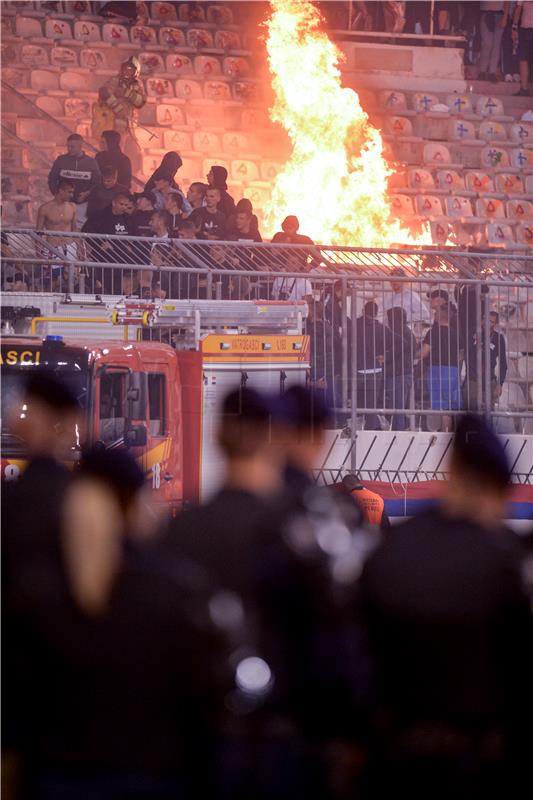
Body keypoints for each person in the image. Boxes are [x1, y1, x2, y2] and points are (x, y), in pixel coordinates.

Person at [6, 448, 224, 799]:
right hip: (153, 778)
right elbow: (202, 707)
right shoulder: (178, 591)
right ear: (136, 503)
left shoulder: (36, 593)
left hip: (57, 779)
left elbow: (18, 705)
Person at [360, 413, 532, 799]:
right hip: (481, 762)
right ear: (495, 486)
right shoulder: (506, 560)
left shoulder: (391, 551)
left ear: (451, 469)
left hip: (397, 759)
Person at [92, 56, 146, 171]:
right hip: (114, 124)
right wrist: (117, 107)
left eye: (130, 70)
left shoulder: (138, 85)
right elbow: (104, 93)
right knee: (116, 149)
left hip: (130, 126)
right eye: (125, 69)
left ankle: (131, 174)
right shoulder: (115, 81)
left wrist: (126, 93)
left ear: (136, 72)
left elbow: (141, 101)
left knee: (133, 152)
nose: (127, 72)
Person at [82, 192, 139, 293]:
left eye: (126, 205)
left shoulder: (127, 218)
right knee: (104, 289)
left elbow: (135, 234)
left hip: (121, 260)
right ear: (114, 203)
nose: (124, 207)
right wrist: (99, 243)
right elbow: (86, 231)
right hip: (103, 259)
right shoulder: (100, 215)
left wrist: (131, 245)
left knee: (117, 290)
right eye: (121, 204)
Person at [421, 303, 462, 425]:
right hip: (453, 370)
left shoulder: (433, 332)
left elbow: (424, 353)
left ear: (440, 316)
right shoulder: (456, 333)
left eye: (436, 312)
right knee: (450, 405)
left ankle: (445, 434)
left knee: (442, 406)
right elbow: (461, 354)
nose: (434, 314)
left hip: (437, 370)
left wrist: (410, 355)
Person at [48, 134, 101, 227]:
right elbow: (52, 179)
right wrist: (57, 195)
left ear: (81, 146)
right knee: (61, 227)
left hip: (82, 205)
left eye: (72, 147)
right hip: (63, 203)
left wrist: (87, 193)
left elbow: (97, 182)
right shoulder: (61, 160)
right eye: (68, 146)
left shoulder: (91, 162)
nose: (69, 149)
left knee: (79, 229)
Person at [354, 301, 392, 430]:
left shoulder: (355, 326)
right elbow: (393, 345)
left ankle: (356, 431)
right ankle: (370, 433)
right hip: (376, 370)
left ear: (364, 311)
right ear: (376, 313)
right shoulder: (382, 329)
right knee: (371, 406)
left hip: (358, 370)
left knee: (356, 403)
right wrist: (384, 356)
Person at [36, 180, 80, 291]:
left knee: (72, 278)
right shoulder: (45, 208)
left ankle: (70, 304)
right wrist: (38, 250)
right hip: (52, 247)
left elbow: (75, 230)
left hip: (69, 247)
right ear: (61, 191)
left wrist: (79, 248)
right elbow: (38, 231)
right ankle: (48, 305)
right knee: (51, 280)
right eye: (69, 192)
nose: (71, 195)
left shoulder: (72, 207)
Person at [464, 310, 508, 410]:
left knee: (488, 414)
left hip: (489, 380)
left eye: (491, 321)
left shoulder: (498, 338)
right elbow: (466, 352)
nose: (487, 323)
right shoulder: (472, 333)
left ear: (495, 324)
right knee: (471, 414)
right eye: (485, 319)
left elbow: (503, 363)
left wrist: (500, 384)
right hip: (472, 380)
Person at [384, 306, 416, 431]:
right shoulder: (406, 332)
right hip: (401, 375)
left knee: (398, 409)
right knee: (398, 408)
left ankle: (398, 435)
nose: (388, 322)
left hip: (399, 376)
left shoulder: (400, 334)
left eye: (389, 319)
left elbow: (393, 354)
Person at [478, 2, 509, 81]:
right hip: (485, 13)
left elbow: (507, 2)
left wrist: (505, 17)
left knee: (496, 44)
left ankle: (492, 72)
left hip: (499, 14)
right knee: (487, 44)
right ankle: (482, 71)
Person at [512, 0, 533, 96]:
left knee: (523, 59)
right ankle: (524, 89)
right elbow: (518, 9)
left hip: (526, 29)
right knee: (523, 59)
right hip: (525, 29)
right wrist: (514, 28)